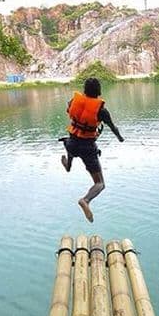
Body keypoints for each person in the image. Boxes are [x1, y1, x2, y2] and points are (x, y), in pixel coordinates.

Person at [60, 77, 124, 222]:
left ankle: (68, 165)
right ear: (99, 91)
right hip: (87, 148)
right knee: (100, 183)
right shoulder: (102, 111)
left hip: (71, 143)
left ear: (84, 90)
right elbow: (113, 127)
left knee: (71, 146)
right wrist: (120, 138)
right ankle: (86, 200)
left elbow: (69, 110)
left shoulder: (73, 101)